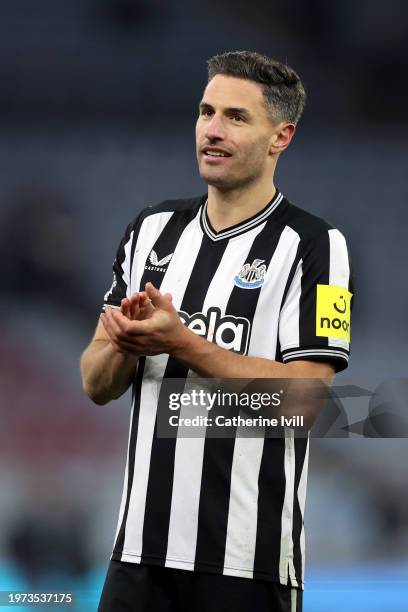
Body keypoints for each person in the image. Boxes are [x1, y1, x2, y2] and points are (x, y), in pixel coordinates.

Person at [81, 51, 353, 612]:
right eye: (206, 111)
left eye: (236, 116)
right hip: (137, 557)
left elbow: (306, 400)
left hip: (247, 565)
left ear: (282, 136)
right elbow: (95, 383)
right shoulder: (151, 231)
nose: (212, 129)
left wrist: (180, 342)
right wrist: (126, 348)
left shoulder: (317, 246)